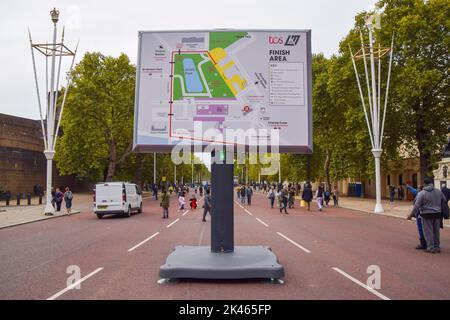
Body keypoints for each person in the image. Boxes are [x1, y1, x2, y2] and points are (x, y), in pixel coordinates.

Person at [407, 177, 446, 254]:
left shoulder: (422, 193)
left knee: (428, 232)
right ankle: (437, 247)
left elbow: (416, 206)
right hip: (437, 214)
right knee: (436, 231)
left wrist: (410, 215)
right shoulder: (438, 191)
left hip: (426, 214)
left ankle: (430, 247)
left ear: (424, 184)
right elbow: (444, 200)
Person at [405, 183, 426, 249]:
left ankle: (423, 244)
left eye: (418, 188)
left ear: (420, 189)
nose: (417, 189)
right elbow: (413, 190)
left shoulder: (419, 194)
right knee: (430, 229)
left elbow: (416, 206)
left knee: (421, 229)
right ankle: (432, 243)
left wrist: (410, 215)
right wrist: (408, 186)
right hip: (429, 214)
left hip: (420, 214)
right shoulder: (427, 193)